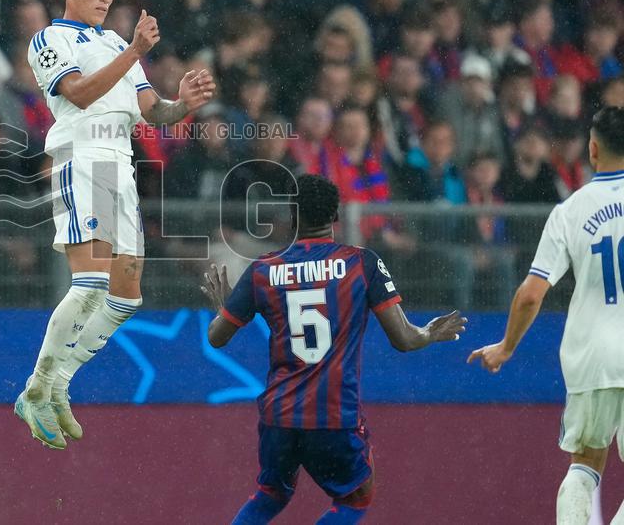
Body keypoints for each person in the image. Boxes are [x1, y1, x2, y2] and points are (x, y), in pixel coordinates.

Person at [14, 0, 216, 450]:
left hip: (119, 165)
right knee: (88, 284)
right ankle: (35, 390)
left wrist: (183, 104)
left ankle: (60, 383)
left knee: (126, 295)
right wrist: (134, 51)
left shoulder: (113, 41)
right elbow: (79, 94)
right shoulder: (51, 38)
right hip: (83, 157)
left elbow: (154, 112)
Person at [200, 173, 466, 524]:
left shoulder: (262, 270)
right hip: (333, 415)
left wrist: (224, 309)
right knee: (355, 498)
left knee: (270, 495)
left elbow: (217, 338)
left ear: (293, 216)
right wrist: (429, 333)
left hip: (279, 415)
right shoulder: (362, 263)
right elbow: (404, 339)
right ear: (336, 216)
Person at [469, 106, 624, 525]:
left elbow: (530, 295)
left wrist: (506, 346)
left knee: (585, 465)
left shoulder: (570, 211)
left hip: (592, 353)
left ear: (593, 150)